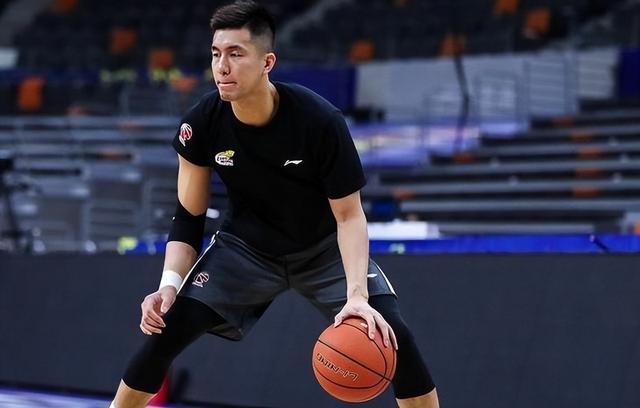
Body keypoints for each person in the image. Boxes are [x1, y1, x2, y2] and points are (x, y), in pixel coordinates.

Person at [110, 1, 439, 407]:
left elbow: (350, 217)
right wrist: (169, 286)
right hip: (244, 251)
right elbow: (188, 216)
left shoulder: (319, 121)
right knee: (166, 330)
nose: (222, 66)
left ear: (267, 62)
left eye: (235, 54)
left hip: (323, 250)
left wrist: (357, 295)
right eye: (216, 53)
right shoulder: (201, 123)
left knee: (393, 337)